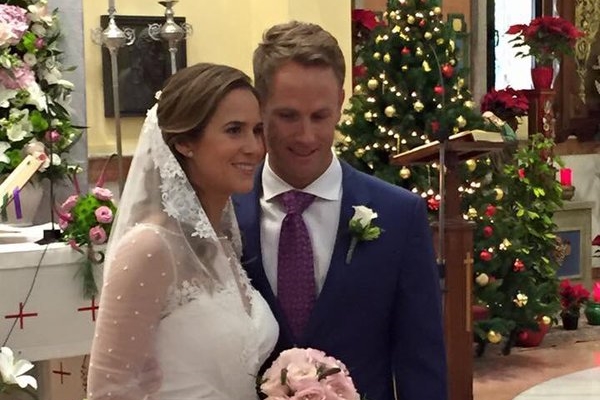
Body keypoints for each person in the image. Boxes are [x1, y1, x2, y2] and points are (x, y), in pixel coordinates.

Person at [233, 21, 448, 400]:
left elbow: (421, 363)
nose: (306, 136)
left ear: (341, 102)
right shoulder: (224, 212)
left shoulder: (399, 215)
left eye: (320, 116)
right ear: (260, 105)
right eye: (288, 116)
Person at [87, 63, 278, 400]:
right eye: (234, 130)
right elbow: (109, 390)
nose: (254, 147)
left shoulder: (220, 240)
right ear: (186, 142)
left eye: (257, 130)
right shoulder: (149, 247)